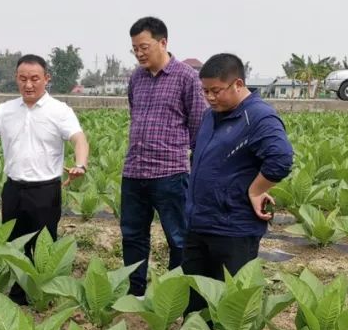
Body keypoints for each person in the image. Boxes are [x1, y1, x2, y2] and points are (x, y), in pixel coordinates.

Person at [0, 54, 89, 305]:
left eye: (35, 79)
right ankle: (18, 296)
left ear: (46, 79)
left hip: (45, 190)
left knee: (44, 245)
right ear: (16, 78)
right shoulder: (6, 110)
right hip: (13, 189)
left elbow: (78, 138)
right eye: (23, 79)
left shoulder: (59, 111)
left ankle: (42, 296)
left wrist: (80, 164)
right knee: (15, 244)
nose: (28, 84)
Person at [183, 52, 294, 311]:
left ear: (238, 85)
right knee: (197, 297)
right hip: (200, 222)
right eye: (205, 91)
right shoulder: (211, 115)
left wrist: (257, 190)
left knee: (229, 303)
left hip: (232, 227)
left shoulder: (258, 117)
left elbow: (280, 158)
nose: (209, 97)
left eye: (216, 90)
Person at [121, 16, 209, 297]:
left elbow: (198, 128)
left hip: (170, 173)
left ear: (163, 42)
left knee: (179, 238)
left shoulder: (186, 78)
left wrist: (197, 174)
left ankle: (175, 294)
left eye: (144, 46)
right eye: (134, 48)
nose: (139, 53)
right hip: (134, 172)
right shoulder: (136, 78)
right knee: (133, 236)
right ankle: (134, 292)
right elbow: (135, 114)